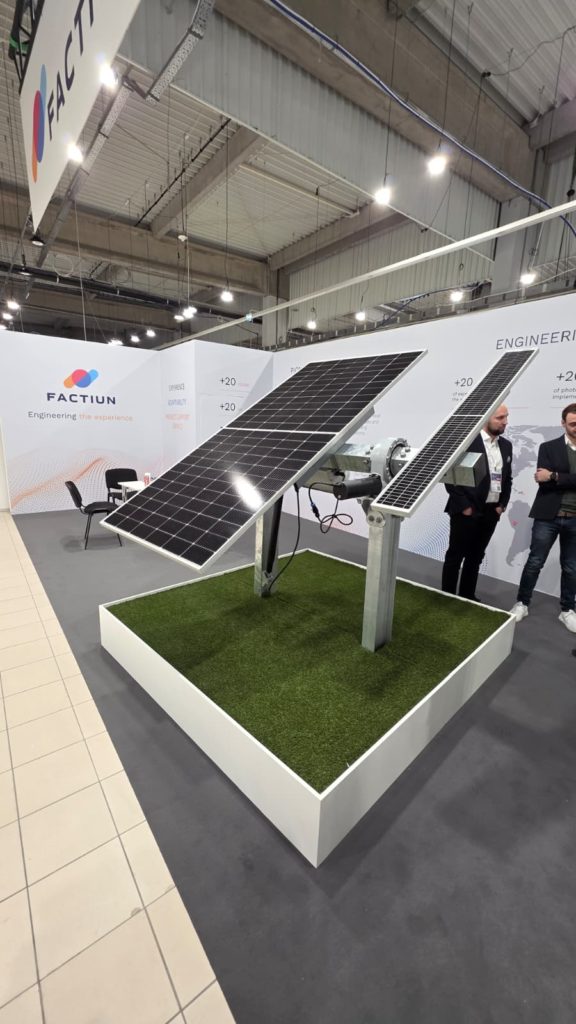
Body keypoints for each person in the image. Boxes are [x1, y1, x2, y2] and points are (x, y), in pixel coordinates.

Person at [511, 404, 576, 632]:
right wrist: (554, 478)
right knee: (534, 562)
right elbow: (542, 480)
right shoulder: (548, 447)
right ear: (563, 423)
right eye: (573, 424)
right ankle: (522, 603)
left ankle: (567, 610)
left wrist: (555, 475)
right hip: (548, 516)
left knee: (571, 567)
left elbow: (550, 477)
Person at [441, 404, 512, 601]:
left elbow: (507, 478)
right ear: (486, 417)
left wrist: (502, 505)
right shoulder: (467, 442)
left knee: (476, 556)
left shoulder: (506, 446)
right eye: (500, 418)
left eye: (506, 417)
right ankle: (446, 596)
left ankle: (467, 596)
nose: (505, 422)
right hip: (467, 510)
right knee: (455, 556)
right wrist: (464, 506)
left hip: (491, 511)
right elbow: (450, 476)